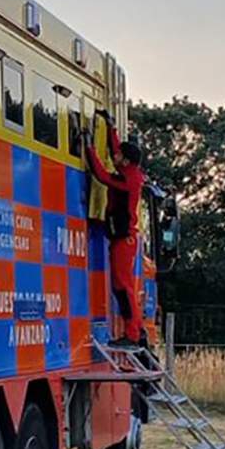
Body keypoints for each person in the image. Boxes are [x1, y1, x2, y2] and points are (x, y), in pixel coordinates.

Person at [87, 111, 146, 346]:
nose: (116, 155)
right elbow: (114, 153)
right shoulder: (130, 172)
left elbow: (101, 175)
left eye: (121, 155)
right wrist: (110, 127)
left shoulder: (127, 180)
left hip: (124, 239)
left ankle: (132, 334)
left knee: (123, 287)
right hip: (122, 237)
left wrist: (88, 146)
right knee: (122, 287)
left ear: (127, 161)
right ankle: (137, 332)